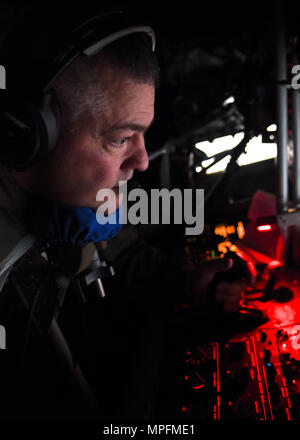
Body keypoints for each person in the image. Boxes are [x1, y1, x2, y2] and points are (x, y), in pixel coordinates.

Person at [0, 6, 246, 420]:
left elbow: (125, 256)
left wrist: (190, 284)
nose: (144, 160)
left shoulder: (83, 201)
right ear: (27, 134)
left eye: (142, 135)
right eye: (121, 139)